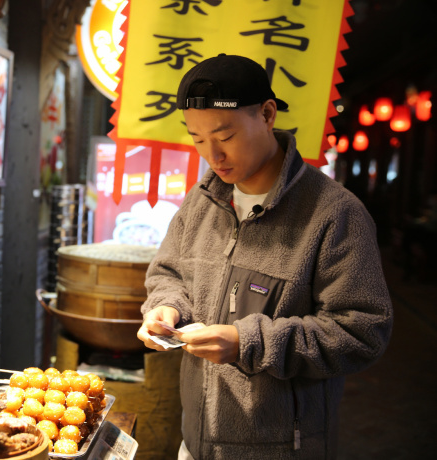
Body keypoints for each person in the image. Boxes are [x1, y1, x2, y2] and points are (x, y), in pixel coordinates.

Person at [136, 54, 393, 459]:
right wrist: (165, 308)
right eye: (198, 139)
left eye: (225, 136)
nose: (212, 155)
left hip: (281, 449)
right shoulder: (202, 202)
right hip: (195, 443)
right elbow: (168, 273)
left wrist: (247, 343)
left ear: (268, 114)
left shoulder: (335, 214)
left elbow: (362, 332)